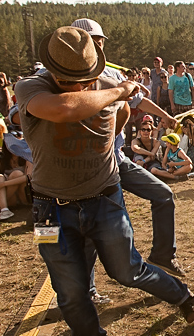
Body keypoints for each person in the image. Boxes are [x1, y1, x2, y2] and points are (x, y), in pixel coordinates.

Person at [16, 26, 194, 336]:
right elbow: (65, 108)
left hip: (104, 199)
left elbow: (122, 117)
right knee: (68, 290)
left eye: (83, 78)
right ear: (53, 72)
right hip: (47, 209)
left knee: (128, 269)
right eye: (69, 79)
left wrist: (107, 139)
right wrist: (119, 91)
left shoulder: (104, 85)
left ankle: (183, 298)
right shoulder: (30, 88)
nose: (79, 86)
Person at [72, 17, 186, 277]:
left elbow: (139, 100)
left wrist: (165, 117)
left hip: (116, 157)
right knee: (95, 224)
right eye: (91, 42)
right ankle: (87, 288)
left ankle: (162, 256)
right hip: (84, 166)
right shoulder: (60, 79)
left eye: (100, 43)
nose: (97, 49)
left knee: (163, 195)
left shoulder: (112, 75)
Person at [0, 136, 32, 222]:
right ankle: (4, 209)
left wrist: (3, 184)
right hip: (12, 198)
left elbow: (28, 177)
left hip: (24, 194)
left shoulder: (27, 156)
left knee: (16, 174)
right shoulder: (3, 158)